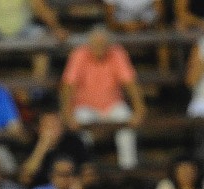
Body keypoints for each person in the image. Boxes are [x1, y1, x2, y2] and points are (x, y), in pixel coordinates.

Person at [60, 26, 146, 169]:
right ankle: (85, 167)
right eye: (96, 44)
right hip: (85, 106)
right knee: (80, 122)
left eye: (103, 44)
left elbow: (130, 83)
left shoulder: (117, 52)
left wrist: (139, 110)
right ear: (89, 43)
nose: (99, 47)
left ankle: (128, 168)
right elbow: (68, 86)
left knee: (126, 119)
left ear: (109, 44)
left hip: (113, 105)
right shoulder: (79, 54)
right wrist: (67, 114)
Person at [0, 0, 68, 83]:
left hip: (23, 28)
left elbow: (40, 8)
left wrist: (57, 29)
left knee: (43, 40)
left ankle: (38, 89)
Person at [18, 109, 94, 189]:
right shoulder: (29, 145)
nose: (54, 129)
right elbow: (24, 179)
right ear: (39, 128)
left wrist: (69, 185)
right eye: (49, 126)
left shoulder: (74, 142)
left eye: (57, 124)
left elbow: (88, 174)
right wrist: (42, 146)